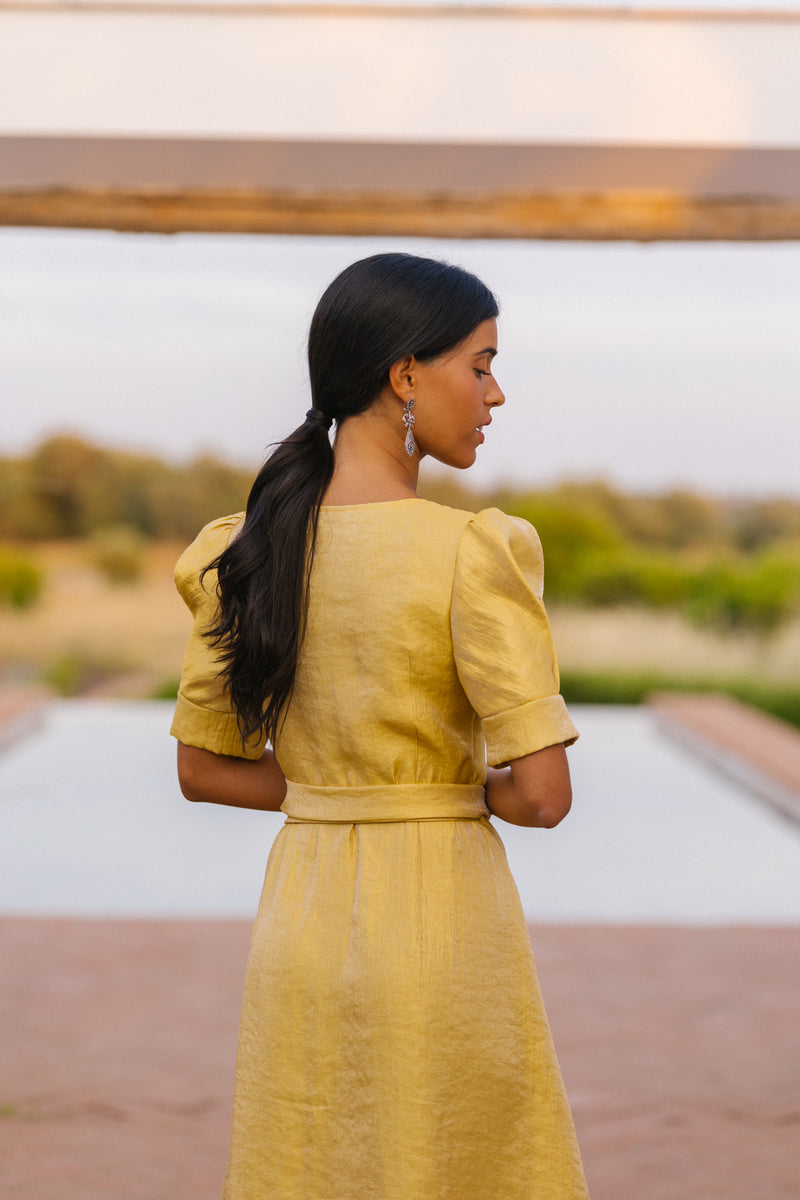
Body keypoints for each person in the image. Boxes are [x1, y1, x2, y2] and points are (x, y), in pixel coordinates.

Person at [171, 252, 589, 1199]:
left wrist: (338, 790)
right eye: (479, 365)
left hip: (302, 923)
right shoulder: (473, 552)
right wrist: (436, 792)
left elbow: (202, 771)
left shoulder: (241, 551)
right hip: (442, 924)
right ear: (405, 374)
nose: (496, 393)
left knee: (311, 1161)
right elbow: (542, 796)